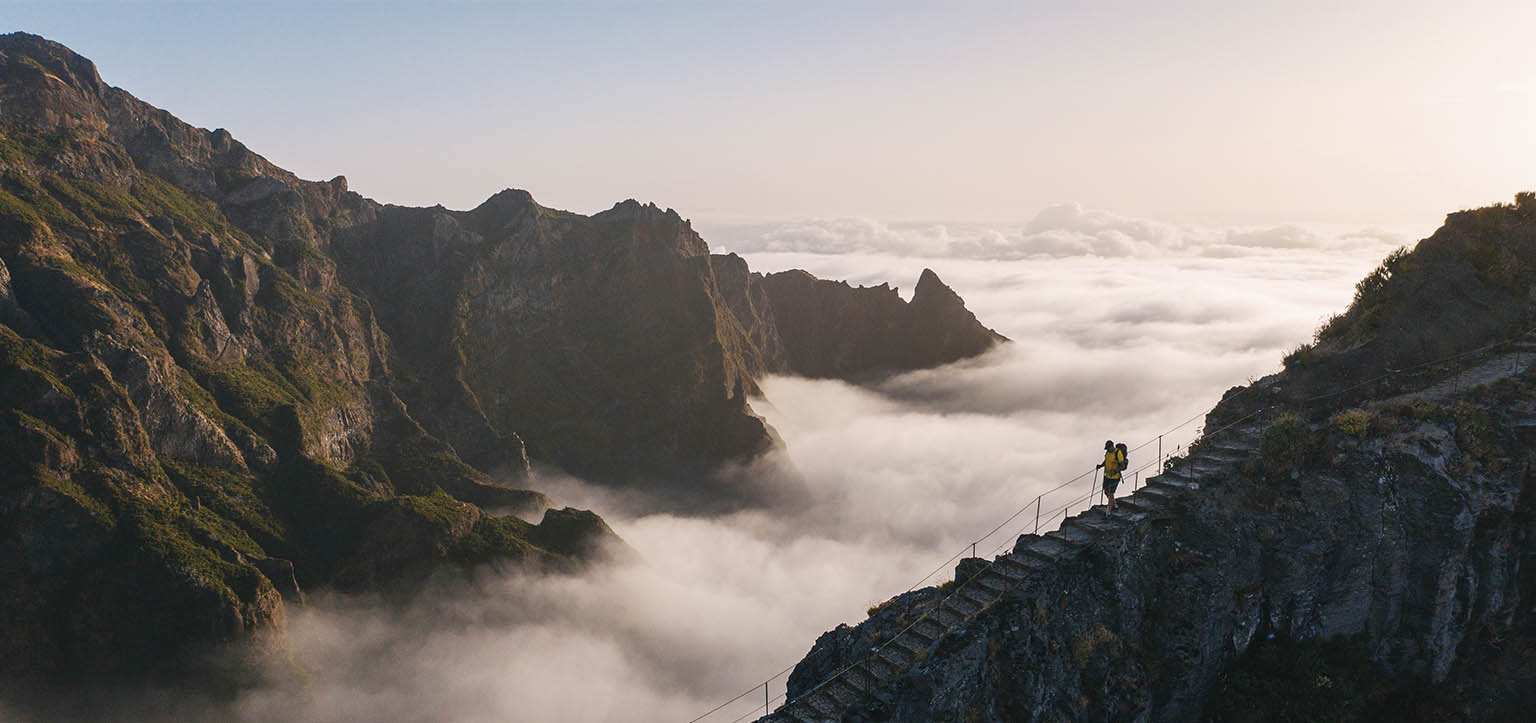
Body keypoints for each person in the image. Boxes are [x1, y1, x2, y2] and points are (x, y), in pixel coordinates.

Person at [1096, 439, 1127, 514]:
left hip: (1115, 477)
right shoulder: (1108, 453)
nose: (1107, 450)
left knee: (1111, 493)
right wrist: (1100, 465)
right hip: (1107, 476)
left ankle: (1108, 512)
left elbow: (1122, 465)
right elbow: (1106, 461)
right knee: (1106, 492)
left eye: (1108, 448)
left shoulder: (1118, 453)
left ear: (1111, 446)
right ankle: (1115, 505)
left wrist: (1115, 471)